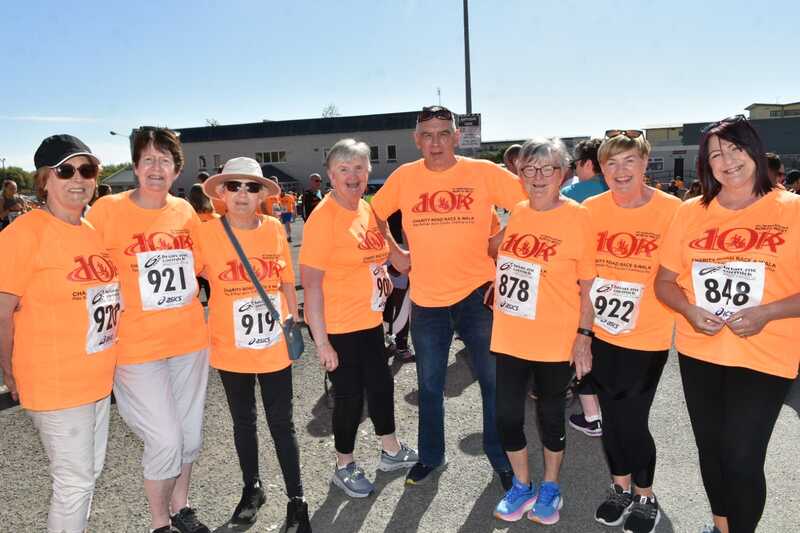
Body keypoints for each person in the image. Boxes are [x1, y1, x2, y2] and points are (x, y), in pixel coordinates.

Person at [655, 116, 800, 533]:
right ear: (706, 164)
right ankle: (721, 526)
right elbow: (664, 282)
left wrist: (766, 313)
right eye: (716, 154)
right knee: (712, 452)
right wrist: (688, 310)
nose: (727, 160)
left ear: (754, 151)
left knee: (741, 458)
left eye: (735, 148)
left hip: (766, 354)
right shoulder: (690, 213)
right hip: (700, 351)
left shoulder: (791, 210)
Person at [370, 105, 527, 488]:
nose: (436, 142)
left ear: (457, 137)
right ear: (416, 140)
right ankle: (430, 456)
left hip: (479, 295)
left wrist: (499, 241)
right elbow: (371, 214)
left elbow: (532, 202)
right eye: (427, 134)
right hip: (427, 300)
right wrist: (395, 253)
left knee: (493, 383)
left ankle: (500, 456)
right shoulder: (405, 177)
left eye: (443, 133)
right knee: (429, 386)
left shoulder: (483, 172)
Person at [87, 128, 211, 533]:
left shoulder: (185, 211)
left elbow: (201, 266)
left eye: (164, 160)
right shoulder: (106, 211)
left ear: (176, 169)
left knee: (189, 435)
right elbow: (84, 270)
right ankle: (159, 523)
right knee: (165, 439)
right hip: (135, 347)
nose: (156, 168)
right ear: (136, 166)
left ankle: (181, 506)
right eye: (148, 160)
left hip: (188, 340)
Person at [0, 134, 118, 533]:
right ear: (44, 180)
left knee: (88, 475)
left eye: (87, 170)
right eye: (66, 170)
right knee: (74, 482)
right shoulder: (23, 234)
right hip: (54, 381)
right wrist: (9, 370)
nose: (78, 179)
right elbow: (2, 313)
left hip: (96, 379)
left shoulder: (91, 230)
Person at [197, 158, 311, 531]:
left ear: (262, 194)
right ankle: (252, 488)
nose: (243, 194)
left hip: (273, 344)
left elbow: (285, 279)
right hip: (230, 347)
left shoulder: (275, 228)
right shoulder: (205, 234)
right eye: (234, 186)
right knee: (243, 422)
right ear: (221, 192)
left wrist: (293, 321)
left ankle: (297, 499)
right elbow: (183, 278)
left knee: (282, 423)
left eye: (251, 186)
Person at [300, 139, 418, 498]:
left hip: (369, 322)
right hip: (339, 327)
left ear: (368, 172)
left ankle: (391, 450)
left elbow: (392, 257)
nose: (352, 176)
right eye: (343, 169)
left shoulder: (366, 209)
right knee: (350, 397)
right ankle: (344, 465)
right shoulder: (324, 218)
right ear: (331, 175)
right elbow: (311, 287)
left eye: (359, 168)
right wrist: (322, 343)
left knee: (381, 387)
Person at [489, 138, 595, 526]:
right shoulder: (518, 211)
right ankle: (522, 484)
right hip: (510, 334)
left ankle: (550, 485)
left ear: (562, 173)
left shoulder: (578, 217)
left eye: (547, 168)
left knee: (550, 417)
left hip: (554, 337)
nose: (537, 177)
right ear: (519, 174)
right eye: (529, 169)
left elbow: (589, 284)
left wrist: (584, 336)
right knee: (506, 417)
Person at [584, 130, 681, 533]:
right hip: (601, 331)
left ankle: (645, 494)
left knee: (632, 418)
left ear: (644, 164)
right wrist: (580, 332)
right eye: (612, 163)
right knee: (610, 416)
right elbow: (582, 273)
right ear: (602, 169)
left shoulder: (672, 210)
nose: (620, 171)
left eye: (629, 161)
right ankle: (620, 487)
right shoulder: (590, 209)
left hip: (648, 333)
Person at [561, 137, 605, 437]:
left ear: (588, 163)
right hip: (616, 282)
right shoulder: (619, 192)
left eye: (576, 164)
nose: (575, 170)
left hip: (579, 282)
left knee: (582, 346)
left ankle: (592, 416)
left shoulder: (571, 195)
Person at [560, 138, 608, 203]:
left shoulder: (567, 194)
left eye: (575, 165)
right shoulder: (617, 188)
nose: (576, 171)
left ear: (588, 164)